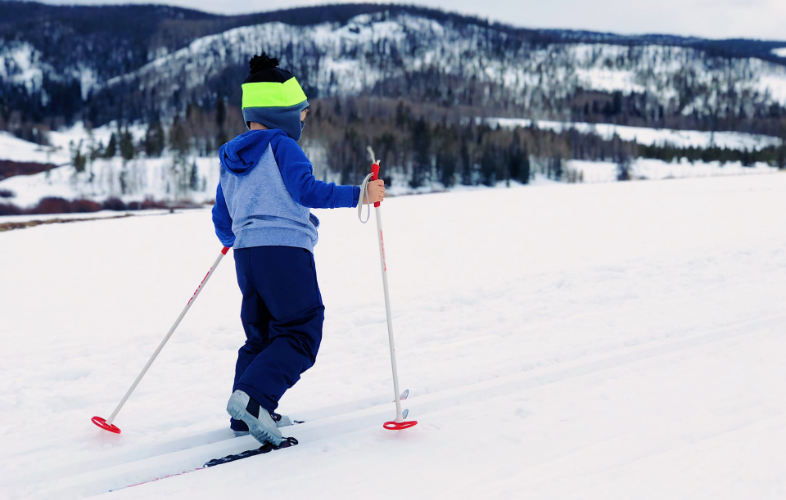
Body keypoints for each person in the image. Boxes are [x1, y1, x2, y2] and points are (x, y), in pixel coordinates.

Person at [211, 53, 385, 446]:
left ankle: (248, 412)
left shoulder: (230, 156)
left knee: (261, 334)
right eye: (302, 115)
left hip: (246, 257)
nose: (303, 123)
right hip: (285, 252)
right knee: (301, 329)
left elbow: (222, 215)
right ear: (283, 112)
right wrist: (360, 194)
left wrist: (230, 238)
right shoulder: (282, 145)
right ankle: (255, 400)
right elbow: (307, 190)